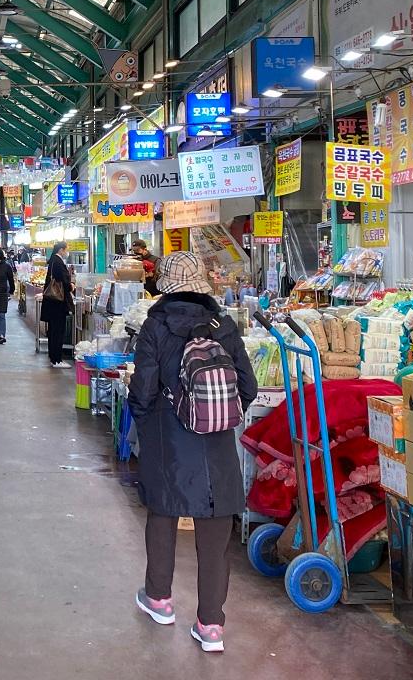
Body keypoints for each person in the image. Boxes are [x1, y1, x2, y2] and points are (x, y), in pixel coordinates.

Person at [127, 251, 257, 654]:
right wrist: (218, 416)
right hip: (217, 443)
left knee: (163, 514)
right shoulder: (224, 326)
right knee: (215, 531)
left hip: (169, 437)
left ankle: (159, 599)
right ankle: (211, 625)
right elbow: (248, 388)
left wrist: (147, 427)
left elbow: (144, 391)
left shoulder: (155, 326)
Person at [39, 242, 73, 369]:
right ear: (61, 250)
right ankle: (57, 359)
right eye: (66, 250)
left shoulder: (53, 260)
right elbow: (63, 280)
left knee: (53, 330)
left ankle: (53, 357)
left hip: (52, 303)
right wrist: (70, 286)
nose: (66, 252)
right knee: (58, 331)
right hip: (57, 302)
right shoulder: (58, 262)